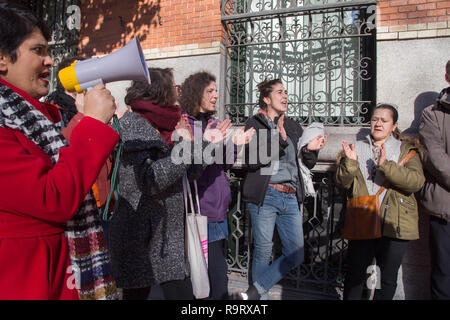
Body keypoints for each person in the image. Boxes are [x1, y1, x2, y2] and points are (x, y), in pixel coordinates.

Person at [0, 3, 119, 299]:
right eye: (38, 51)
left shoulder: (30, 115)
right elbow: (53, 198)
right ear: (2, 58)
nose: (50, 61)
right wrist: (91, 124)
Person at [109, 68, 232, 300]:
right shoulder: (133, 125)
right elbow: (150, 181)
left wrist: (207, 143)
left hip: (167, 235)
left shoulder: (170, 125)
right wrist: (186, 147)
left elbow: (188, 174)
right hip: (140, 235)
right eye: (174, 87)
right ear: (160, 91)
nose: (177, 92)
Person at [239, 79, 326, 300]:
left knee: (296, 253)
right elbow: (253, 160)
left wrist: (310, 150)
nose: (285, 96)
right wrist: (280, 140)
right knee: (263, 251)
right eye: (279, 92)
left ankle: (254, 293)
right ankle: (260, 301)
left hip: (290, 196)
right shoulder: (254, 123)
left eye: (286, 92)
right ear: (267, 99)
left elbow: (306, 163)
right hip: (265, 194)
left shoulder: (293, 125)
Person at [336, 103, 425, 300]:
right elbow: (342, 182)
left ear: (394, 126)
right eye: (375, 119)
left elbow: (416, 182)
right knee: (356, 275)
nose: (378, 124)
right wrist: (350, 163)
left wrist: (386, 166)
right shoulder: (356, 148)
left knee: (387, 278)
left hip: (395, 221)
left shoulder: (407, 151)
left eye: (384, 120)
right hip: (364, 216)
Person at [179, 71, 254, 300]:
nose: (216, 95)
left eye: (215, 90)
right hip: (201, 212)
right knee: (214, 281)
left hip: (219, 211)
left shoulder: (214, 123)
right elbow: (187, 168)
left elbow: (224, 164)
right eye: (210, 91)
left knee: (211, 279)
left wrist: (234, 144)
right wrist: (208, 142)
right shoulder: (185, 125)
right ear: (195, 93)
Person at [419, 60, 450, 300]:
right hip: (445, 207)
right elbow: (436, 159)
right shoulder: (432, 114)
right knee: (444, 275)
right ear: (447, 78)